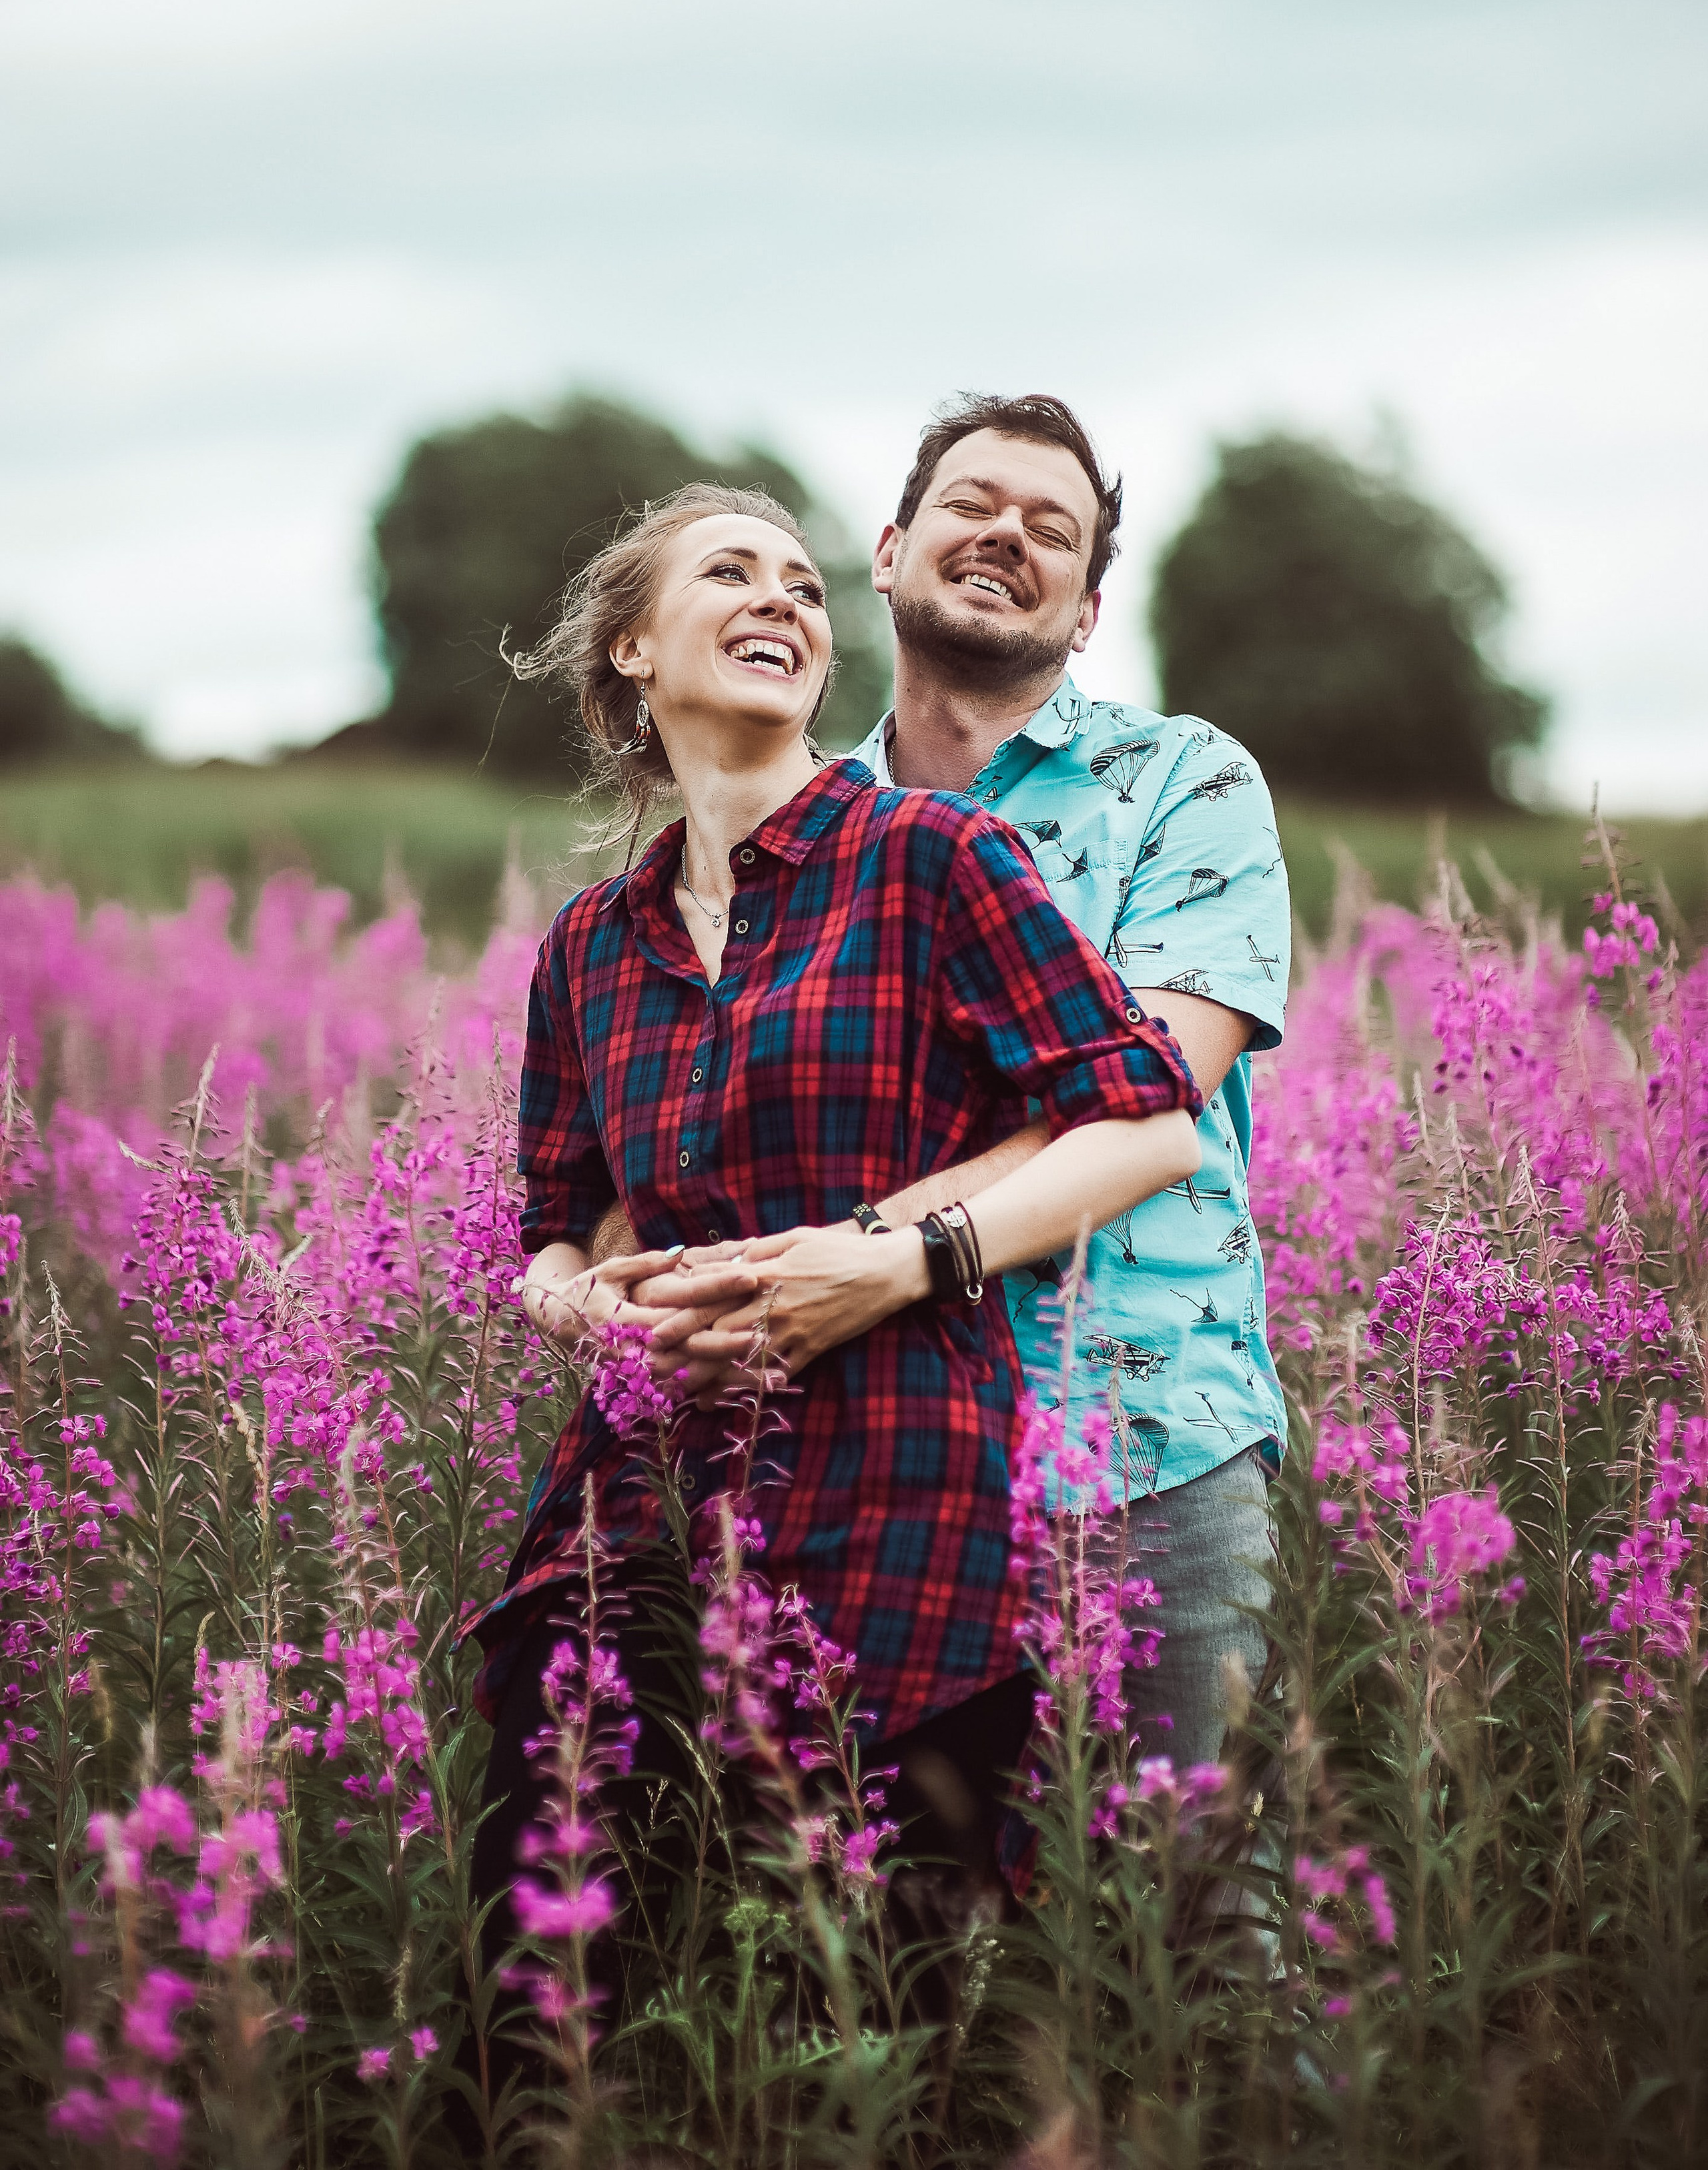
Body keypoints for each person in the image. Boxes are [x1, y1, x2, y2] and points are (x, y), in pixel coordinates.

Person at [466, 480, 1202, 2024]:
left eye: (803, 586)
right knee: (549, 1982)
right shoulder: (592, 943)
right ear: (629, 653)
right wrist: (585, 1312)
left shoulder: (933, 860)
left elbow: (1143, 1123)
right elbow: (553, 1231)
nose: (783, 603)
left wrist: (899, 1260)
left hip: (897, 1506)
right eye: (728, 574)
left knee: (879, 1998)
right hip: (642, 1508)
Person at [637, 400, 1290, 1775]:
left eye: (1049, 528)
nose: (1004, 534)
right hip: (871, 1453)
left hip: (1146, 1441)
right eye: (970, 504)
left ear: (1088, 603)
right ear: (884, 550)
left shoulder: (1182, 779)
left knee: (1201, 1929)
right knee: (899, 1932)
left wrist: (887, 1254)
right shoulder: (800, 824)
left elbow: (1146, 1090)